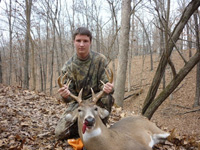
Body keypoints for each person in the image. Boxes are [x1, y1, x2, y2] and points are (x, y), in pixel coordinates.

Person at [55, 27, 114, 142]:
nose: (81, 44)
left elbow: (107, 84)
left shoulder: (100, 60)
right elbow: (68, 98)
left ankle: (100, 127)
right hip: (79, 104)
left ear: (90, 42)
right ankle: (83, 129)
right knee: (60, 133)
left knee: (108, 97)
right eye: (78, 41)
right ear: (74, 42)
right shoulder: (68, 66)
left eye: (85, 41)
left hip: (96, 101)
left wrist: (108, 87)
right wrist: (65, 95)